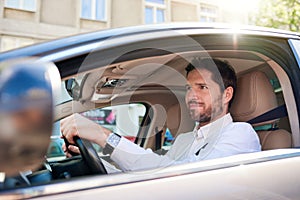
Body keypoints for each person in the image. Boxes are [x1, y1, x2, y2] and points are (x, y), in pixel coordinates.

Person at [61, 58, 261, 173]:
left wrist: (104, 136)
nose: (191, 95)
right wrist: (97, 163)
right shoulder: (184, 140)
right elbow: (151, 176)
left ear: (227, 94)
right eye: (188, 88)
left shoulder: (241, 134)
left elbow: (182, 178)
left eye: (202, 87)